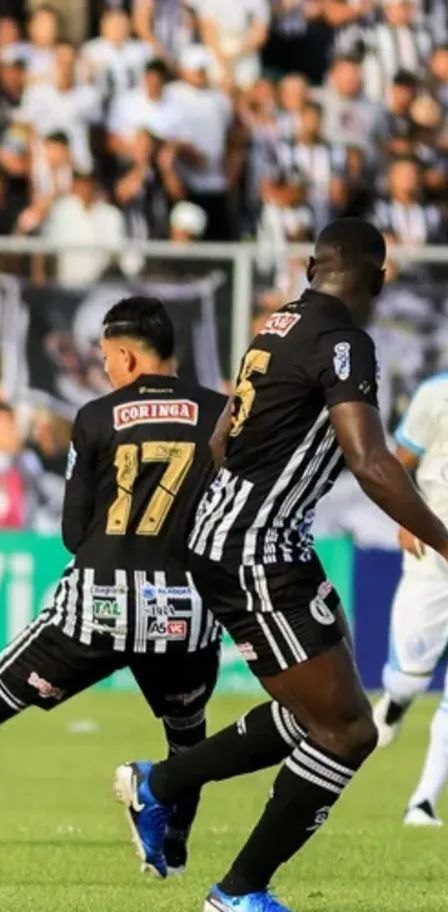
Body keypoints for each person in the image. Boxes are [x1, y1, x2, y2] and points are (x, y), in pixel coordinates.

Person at [115, 218, 448, 912]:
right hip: (256, 549)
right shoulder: (344, 341)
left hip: (251, 538)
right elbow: (371, 463)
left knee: (314, 714)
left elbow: (222, 436)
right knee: (347, 731)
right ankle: (237, 892)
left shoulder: (277, 324)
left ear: (310, 267)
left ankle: (159, 785)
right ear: (379, 278)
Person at [0, 297, 226, 876]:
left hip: (100, 602)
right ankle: (173, 847)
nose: (104, 367)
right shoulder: (219, 414)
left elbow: (72, 533)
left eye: (106, 357)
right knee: (187, 739)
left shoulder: (96, 417)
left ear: (126, 357)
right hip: (183, 609)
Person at [371, 371, 448, 827]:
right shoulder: (435, 395)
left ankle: (423, 801)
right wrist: (405, 519)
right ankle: (396, 703)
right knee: (408, 678)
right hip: (433, 558)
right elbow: (400, 462)